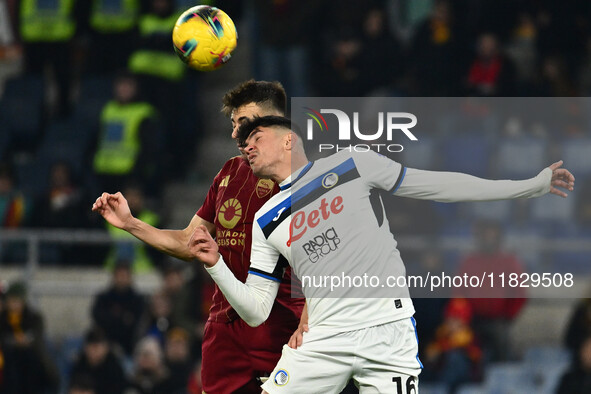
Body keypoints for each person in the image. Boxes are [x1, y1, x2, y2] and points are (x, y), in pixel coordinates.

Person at [188, 115, 575, 393]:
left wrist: (529, 186)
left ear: (289, 139)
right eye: (242, 143)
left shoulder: (352, 165)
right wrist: (217, 264)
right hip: (322, 340)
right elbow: (256, 309)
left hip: (386, 331)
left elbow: (439, 185)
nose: (247, 146)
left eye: (256, 135)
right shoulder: (265, 219)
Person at [92, 80, 305, 393]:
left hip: (282, 332)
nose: (236, 135)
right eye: (233, 125)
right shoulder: (229, 173)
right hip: (225, 333)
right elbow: (189, 241)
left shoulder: (307, 181)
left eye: (244, 124)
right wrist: (130, 223)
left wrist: (308, 323)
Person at [91, 259, 145, 357]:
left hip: (131, 348)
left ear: (130, 277)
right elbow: (98, 318)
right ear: (113, 277)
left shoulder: (138, 300)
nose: (122, 279)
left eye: (124, 275)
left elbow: (137, 325)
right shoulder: (103, 298)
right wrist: (122, 319)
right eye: (119, 275)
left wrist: (113, 318)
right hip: (106, 349)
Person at [69, 327, 128, 394]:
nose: (94, 351)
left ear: (106, 348)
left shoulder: (114, 368)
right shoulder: (79, 364)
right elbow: (73, 386)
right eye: (91, 346)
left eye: (97, 347)